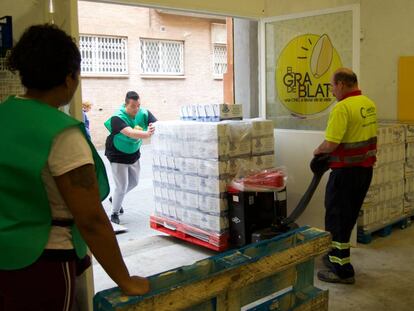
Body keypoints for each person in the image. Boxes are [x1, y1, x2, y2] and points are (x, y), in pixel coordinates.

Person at [0, 24, 149, 310]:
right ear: (70, 78)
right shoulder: (62, 134)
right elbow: (91, 218)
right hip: (44, 261)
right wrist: (125, 280)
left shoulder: (4, 115)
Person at [313, 68, 377, 284]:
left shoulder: (342, 108)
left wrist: (317, 151)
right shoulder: (368, 104)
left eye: (332, 86)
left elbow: (331, 143)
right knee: (347, 218)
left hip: (344, 174)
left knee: (336, 219)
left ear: (341, 84)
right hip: (364, 172)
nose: (331, 91)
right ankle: (336, 258)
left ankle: (342, 271)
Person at [104, 91, 157, 224]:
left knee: (134, 183)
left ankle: (115, 198)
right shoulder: (117, 117)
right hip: (118, 153)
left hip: (133, 152)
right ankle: (114, 213)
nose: (136, 109)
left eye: (138, 105)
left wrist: (155, 126)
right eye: (133, 106)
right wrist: (147, 133)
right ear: (126, 104)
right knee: (121, 186)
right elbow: (130, 132)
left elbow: (156, 124)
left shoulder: (144, 113)